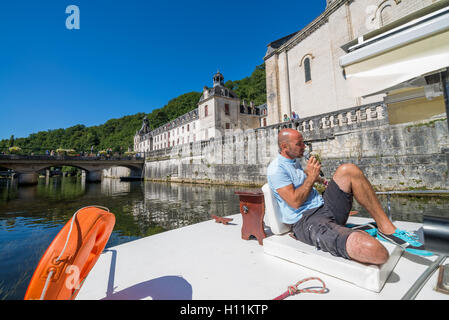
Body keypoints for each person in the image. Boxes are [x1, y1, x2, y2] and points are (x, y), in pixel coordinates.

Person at [267, 128, 431, 265]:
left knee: (348, 170)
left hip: (323, 205)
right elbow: (294, 202)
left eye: (304, 142)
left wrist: (318, 179)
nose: (304, 146)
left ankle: (386, 229)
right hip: (306, 220)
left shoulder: (294, 161)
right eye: (299, 144)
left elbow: (299, 183)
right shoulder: (276, 169)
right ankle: (348, 234)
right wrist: (310, 177)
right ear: (284, 147)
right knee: (376, 252)